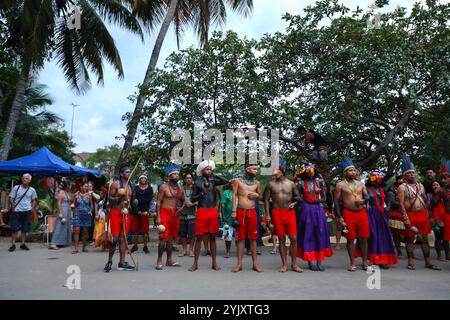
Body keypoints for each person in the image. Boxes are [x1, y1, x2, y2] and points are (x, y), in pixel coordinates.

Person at [397, 154, 441, 271]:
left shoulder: (420, 186)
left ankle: (428, 262)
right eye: (409, 173)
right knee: (410, 239)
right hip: (410, 215)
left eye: (413, 172)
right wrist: (405, 218)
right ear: (405, 176)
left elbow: (426, 203)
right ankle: (410, 261)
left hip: (422, 215)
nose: (412, 174)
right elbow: (401, 204)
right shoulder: (402, 187)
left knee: (424, 238)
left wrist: (431, 216)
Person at [189, 160, 228, 272]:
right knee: (199, 238)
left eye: (211, 169)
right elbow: (192, 199)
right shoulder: (197, 183)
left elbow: (226, 181)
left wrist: (214, 175)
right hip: (202, 211)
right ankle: (195, 264)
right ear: (202, 171)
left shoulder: (213, 181)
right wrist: (202, 193)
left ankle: (214, 263)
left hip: (212, 212)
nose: (209, 171)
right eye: (207, 169)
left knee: (212, 238)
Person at [264, 164, 303, 273]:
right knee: (281, 238)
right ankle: (284, 264)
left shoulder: (291, 184)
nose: (274, 173)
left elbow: (298, 198)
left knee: (294, 238)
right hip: (276, 213)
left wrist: (294, 203)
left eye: (276, 171)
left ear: (282, 171)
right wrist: (267, 215)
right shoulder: (270, 184)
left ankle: (294, 264)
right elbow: (266, 200)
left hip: (289, 213)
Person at [334, 157, 370, 271]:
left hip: (361, 213)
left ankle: (365, 262)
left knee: (364, 238)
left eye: (354, 170)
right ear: (345, 172)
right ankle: (353, 262)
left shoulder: (361, 184)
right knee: (350, 239)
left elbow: (367, 196)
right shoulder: (340, 185)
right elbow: (336, 201)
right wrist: (339, 217)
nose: (353, 172)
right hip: (348, 213)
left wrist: (364, 201)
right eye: (350, 170)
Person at [356, 170, 398, 269]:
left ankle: (383, 259)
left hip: (382, 214)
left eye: (377, 177)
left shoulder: (383, 188)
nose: (375, 179)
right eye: (373, 177)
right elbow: (363, 199)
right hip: (370, 213)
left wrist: (387, 208)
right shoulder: (365, 188)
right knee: (372, 235)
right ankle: (371, 259)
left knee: (383, 235)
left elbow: (389, 200)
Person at [296, 164, 332, 271]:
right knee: (308, 232)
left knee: (319, 232)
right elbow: (297, 195)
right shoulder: (301, 183)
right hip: (306, 209)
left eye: (312, 171)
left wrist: (322, 200)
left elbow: (325, 195)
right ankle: (310, 261)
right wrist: (303, 201)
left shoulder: (320, 182)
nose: (310, 173)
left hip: (318, 209)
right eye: (308, 171)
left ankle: (319, 261)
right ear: (305, 172)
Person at [231, 163, 263, 273]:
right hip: (240, 212)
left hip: (252, 212)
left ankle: (255, 264)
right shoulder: (237, 181)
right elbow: (234, 195)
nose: (256, 171)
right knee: (240, 238)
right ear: (247, 169)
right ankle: (239, 264)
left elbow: (261, 197)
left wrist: (257, 196)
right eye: (254, 169)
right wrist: (234, 210)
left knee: (253, 238)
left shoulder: (257, 183)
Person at [104, 164, 135, 272]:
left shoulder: (131, 185)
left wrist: (135, 202)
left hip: (126, 214)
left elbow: (132, 200)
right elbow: (110, 199)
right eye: (127, 172)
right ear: (122, 174)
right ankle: (109, 261)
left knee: (123, 238)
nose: (129, 174)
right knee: (115, 238)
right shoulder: (115, 184)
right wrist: (119, 197)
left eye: (130, 172)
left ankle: (122, 263)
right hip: (116, 212)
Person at [155, 164, 184, 270]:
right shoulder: (163, 187)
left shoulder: (180, 188)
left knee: (171, 239)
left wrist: (181, 208)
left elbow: (184, 200)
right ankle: (159, 260)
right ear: (169, 176)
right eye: (174, 174)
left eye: (177, 174)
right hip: (164, 213)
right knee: (163, 238)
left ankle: (169, 260)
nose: (177, 176)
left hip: (174, 215)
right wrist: (158, 217)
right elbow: (158, 202)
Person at [8, 173, 38, 252]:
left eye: (26, 178)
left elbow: (34, 200)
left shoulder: (32, 190)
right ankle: (13, 244)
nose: (24, 179)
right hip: (17, 210)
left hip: (27, 211)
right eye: (23, 178)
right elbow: (11, 197)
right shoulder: (16, 188)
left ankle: (23, 244)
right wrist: (13, 206)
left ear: (29, 180)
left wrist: (32, 208)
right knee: (14, 228)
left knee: (25, 228)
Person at [430, 161, 450, 261]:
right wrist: (436, 194)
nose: (443, 180)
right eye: (441, 178)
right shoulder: (441, 190)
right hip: (445, 217)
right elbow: (432, 205)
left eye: (445, 178)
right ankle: (443, 255)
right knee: (442, 237)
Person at [130, 173, 153, 254]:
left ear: (146, 180)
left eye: (144, 178)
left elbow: (150, 200)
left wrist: (147, 210)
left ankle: (145, 246)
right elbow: (133, 200)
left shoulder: (150, 188)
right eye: (141, 178)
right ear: (139, 180)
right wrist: (137, 211)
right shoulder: (136, 188)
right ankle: (135, 245)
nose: (143, 180)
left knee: (145, 230)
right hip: (136, 211)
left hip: (145, 211)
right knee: (135, 230)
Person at [49, 180, 72, 250]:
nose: (70, 186)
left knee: (64, 227)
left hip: (67, 210)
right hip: (62, 209)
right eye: (69, 185)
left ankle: (61, 242)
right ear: (66, 186)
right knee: (59, 226)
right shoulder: (61, 192)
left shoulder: (66, 192)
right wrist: (60, 212)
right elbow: (58, 203)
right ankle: (53, 243)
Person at [72, 181, 94, 253]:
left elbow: (91, 205)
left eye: (87, 186)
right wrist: (73, 207)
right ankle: (76, 248)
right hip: (77, 213)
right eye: (85, 186)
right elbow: (73, 204)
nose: (86, 187)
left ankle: (84, 247)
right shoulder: (76, 194)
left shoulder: (89, 195)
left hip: (86, 214)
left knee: (85, 231)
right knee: (76, 230)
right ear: (81, 186)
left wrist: (90, 211)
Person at [386, 175, 405, 256]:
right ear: (397, 180)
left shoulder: (408, 188)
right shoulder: (391, 190)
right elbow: (393, 202)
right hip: (395, 214)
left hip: (406, 213)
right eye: (400, 179)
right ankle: (399, 251)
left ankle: (409, 251)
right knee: (396, 234)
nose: (402, 181)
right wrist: (404, 205)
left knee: (407, 234)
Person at [179, 173, 197, 257]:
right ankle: (184, 249)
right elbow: (177, 198)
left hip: (192, 213)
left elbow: (199, 200)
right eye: (187, 178)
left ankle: (191, 250)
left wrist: (192, 204)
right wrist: (183, 203)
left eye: (190, 178)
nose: (188, 179)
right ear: (185, 179)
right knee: (182, 233)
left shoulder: (195, 189)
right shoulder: (181, 188)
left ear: (192, 179)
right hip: (182, 213)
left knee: (192, 233)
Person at [430, 181, 447, 261]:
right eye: (434, 185)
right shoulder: (431, 196)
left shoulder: (444, 193)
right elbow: (431, 207)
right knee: (439, 237)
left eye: (437, 184)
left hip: (445, 217)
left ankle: (447, 255)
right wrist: (432, 218)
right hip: (437, 217)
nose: (436, 186)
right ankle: (439, 255)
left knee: (445, 237)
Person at [220, 184, 233, 258]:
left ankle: (239, 251)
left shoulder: (239, 192)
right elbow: (223, 205)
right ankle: (228, 251)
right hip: (228, 217)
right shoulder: (226, 192)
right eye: (232, 183)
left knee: (239, 235)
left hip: (239, 216)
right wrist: (223, 216)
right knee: (227, 235)